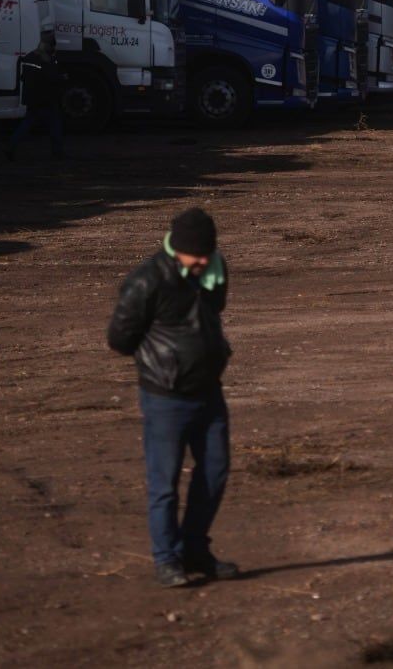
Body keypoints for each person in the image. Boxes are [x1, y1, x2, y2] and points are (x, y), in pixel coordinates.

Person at [107, 208, 237, 587]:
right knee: (164, 483)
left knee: (214, 471)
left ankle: (194, 550)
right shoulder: (146, 281)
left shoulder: (213, 271)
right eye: (196, 254)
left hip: (208, 391)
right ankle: (167, 559)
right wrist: (162, 361)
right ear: (176, 248)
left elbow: (214, 309)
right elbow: (120, 339)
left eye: (207, 254)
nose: (203, 261)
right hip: (166, 397)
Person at [6, 37, 67, 161]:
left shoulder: (29, 57)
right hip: (46, 98)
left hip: (32, 98)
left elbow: (23, 77)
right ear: (48, 46)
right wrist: (62, 78)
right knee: (55, 124)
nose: (54, 49)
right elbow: (51, 77)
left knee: (26, 124)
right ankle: (57, 152)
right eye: (52, 46)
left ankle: (10, 146)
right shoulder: (46, 59)